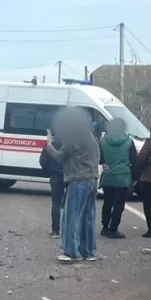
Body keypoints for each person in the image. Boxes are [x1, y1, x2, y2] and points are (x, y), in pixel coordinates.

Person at [45, 107, 100, 262]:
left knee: (72, 217)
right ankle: (88, 252)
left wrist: (48, 145)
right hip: (92, 179)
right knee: (87, 218)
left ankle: (71, 252)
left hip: (78, 180)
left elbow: (60, 156)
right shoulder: (90, 135)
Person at [98, 116, 137, 239]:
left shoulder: (103, 141)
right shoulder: (129, 141)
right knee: (118, 204)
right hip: (123, 176)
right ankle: (113, 229)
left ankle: (104, 227)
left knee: (107, 202)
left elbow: (100, 159)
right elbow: (134, 160)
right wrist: (134, 176)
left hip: (108, 175)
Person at [39, 134, 65, 238]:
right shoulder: (70, 141)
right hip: (68, 176)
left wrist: (49, 171)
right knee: (69, 204)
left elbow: (43, 161)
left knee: (56, 202)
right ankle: (69, 229)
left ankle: (55, 230)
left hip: (55, 176)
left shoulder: (50, 143)